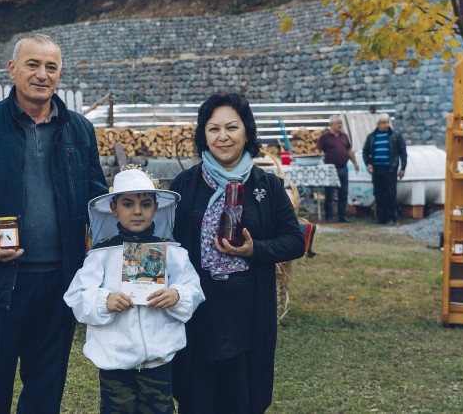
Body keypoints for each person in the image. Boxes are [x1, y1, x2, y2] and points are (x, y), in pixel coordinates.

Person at [0, 33, 109, 414]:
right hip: (1, 281)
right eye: (33, 64)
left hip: (60, 281)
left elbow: (96, 198)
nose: (42, 74)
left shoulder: (80, 130)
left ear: (59, 73)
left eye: (51, 67)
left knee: (45, 390)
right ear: (13, 69)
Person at [170, 91, 306, 414]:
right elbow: (166, 242)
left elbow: (294, 241)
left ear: (247, 131)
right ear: (203, 135)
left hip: (248, 315)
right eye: (214, 129)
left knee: (243, 401)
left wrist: (253, 249)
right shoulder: (185, 184)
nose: (223, 137)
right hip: (198, 316)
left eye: (232, 128)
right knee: (197, 400)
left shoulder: (268, 187)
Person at [64, 168, 204, 414]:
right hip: (115, 359)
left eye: (145, 204)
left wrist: (177, 295)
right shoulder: (101, 255)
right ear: (114, 209)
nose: (137, 211)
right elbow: (76, 296)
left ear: (156, 207)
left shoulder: (173, 252)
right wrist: (104, 301)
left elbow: (194, 289)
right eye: (128, 204)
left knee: (159, 409)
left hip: (159, 360)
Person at [361, 113, 407, 225]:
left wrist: (403, 167)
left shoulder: (395, 136)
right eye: (383, 123)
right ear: (378, 124)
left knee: (390, 194)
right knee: (379, 194)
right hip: (377, 170)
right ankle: (381, 217)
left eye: (387, 122)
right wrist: (368, 164)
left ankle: (391, 217)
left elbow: (402, 152)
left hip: (390, 169)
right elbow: (365, 152)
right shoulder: (371, 137)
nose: (386, 125)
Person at [316, 114, 359, 223]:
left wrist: (354, 162)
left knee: (343, 193)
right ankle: (329, 217)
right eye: (338, 123)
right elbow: (318, 150)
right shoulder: (325, 137)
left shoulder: (344, 136)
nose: (340, 125)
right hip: (331, 169)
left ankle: (342, 216)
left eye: (341, 123)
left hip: (343, 168)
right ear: (331, 125)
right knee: (329, 193)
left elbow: (349, 150)